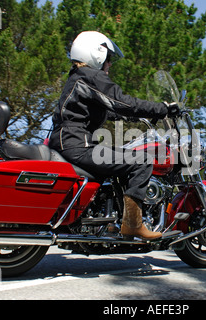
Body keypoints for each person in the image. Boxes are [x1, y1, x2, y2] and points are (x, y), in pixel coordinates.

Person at [49, 31, 179, 240]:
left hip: (66, 142)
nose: (109, 65)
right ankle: (132, 224)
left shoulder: (77, 77)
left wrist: (132, 119)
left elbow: (108, 109)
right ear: (96, 54)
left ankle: (110, 222)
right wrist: (161, 108)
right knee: (142, 160)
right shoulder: (91, 75)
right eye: (108, 59)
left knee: (118, 160)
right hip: (77, 144)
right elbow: (123, 102)